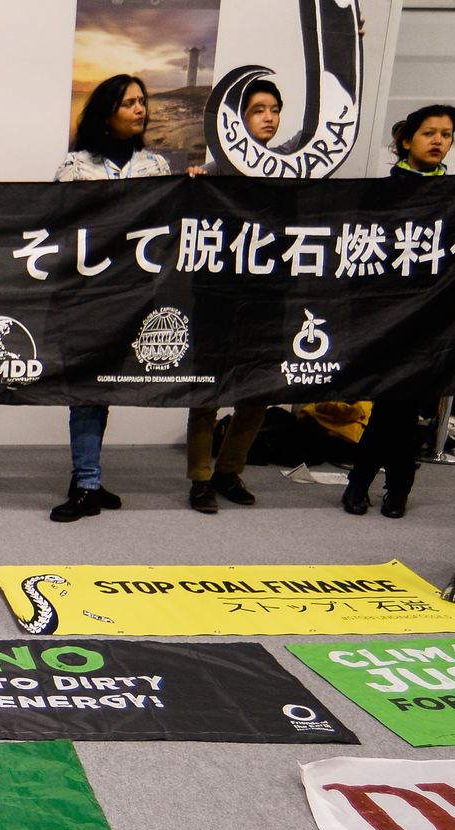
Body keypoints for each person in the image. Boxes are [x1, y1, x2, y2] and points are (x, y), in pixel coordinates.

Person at [51, 74, 170, 522]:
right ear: (106, 113)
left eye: (142, 101)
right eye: (128, 103)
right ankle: (86, 484)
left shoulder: (157, 167)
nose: (139, 109)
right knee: (85, 390)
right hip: (86, 296)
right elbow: (60, 228)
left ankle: (88, 475)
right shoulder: (75, 167)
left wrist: (196, 185)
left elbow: (168, 227)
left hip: (134, 297)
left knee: (103, 389)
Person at [341, 104, 455, 520]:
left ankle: (366, 485)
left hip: (432, 318)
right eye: (429, 133)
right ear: (407, 140)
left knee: (403, 407)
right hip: (386, 316)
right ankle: (391, 488)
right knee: (397, 406)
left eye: (446, 134)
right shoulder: (381, 193)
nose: (438, 141)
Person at [181, 80, 284, 514]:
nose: (269, 117)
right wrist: (193, 184)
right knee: (208, 390)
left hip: (268, 297)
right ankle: (200, 478)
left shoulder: (290, 169)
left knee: (258, 390)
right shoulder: (215, 171)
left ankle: (229, 470)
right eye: (258, 109)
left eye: (275, 109)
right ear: (238, 119)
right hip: (217, 297)